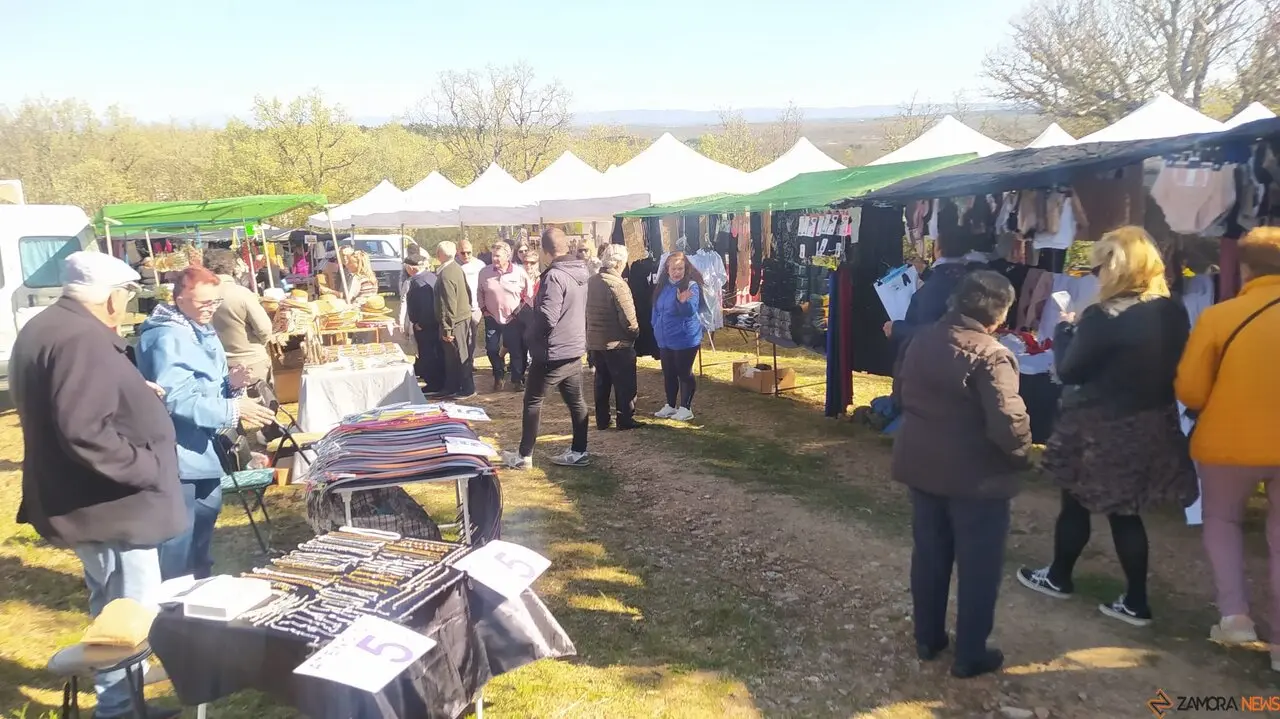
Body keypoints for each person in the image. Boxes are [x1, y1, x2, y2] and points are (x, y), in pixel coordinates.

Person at [11, 252, 185, 719]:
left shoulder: (51, 326)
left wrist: (132, 393)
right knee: (126, 615)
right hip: (111, 506)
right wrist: (147, 467)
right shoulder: (79, 340)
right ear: (110, 298)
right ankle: (120, 708)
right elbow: (84, 431)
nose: (126, 306)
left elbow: (74, 406)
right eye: (125, 296)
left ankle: (126, 699)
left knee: (114, 606)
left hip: (94, 505)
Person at [1017, 226, 1196, 626]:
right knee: (1125, 511)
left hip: (1099, 424)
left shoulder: (1102, 315)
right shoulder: (1172, 311)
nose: (1094, 275)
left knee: (1078, 503)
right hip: (1151, 419)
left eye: (1098, 267)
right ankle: (1133, 599)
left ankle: (1062, 577)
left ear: (1114, 268)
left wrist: (1065, 330)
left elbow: (1069, 369)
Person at [893, 270, 1031, 679]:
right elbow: (1009, 422)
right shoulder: (991, 354)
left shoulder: (921, 338)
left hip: (923, 465)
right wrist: (1022, 455)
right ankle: (970, 652)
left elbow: (901, 392)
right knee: (978, 567)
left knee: (930, 555)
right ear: (1000, 313)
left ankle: (928, 636)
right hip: (977, 479)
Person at [1175, 226, 1280, 660]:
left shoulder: (1220, 317)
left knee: (1222, 521)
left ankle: (1235, 616)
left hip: (1229, 443)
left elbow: (1192, 392)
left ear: (1246, 267)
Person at [137, 266, 278, 580]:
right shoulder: (167, 336)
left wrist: (231, 383)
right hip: (177, 451)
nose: (210, 310)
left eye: (215, 303)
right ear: (179, 299)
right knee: (179, 536)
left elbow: (204, 384)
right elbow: (176, 397)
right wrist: (232, 409)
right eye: (203, 303)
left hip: (203, 449)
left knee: (204, 521)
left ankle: (199, 585)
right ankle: (172, 600)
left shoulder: (199, 326)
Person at [502, 227, 591, 469]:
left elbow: (548, 317)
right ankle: (579, 450)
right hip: (573, 348)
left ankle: (524, 456)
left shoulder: (554, 276)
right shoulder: (581, 271)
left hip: (553, 351)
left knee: (533, 401)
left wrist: (530, 337)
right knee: (576, 402)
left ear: (544, 251)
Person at [587, 243, 644, 431]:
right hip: (617, 342)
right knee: (625, 382)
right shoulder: (618, 284)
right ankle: (625, 418)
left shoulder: (592, 281)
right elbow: (628, 317)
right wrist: (634, 333)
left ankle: (602, 419)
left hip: (596, 341)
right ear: (619, 263)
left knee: (602, 381)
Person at [205, 249, 274, 385]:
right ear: (232, 267)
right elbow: (264, 329)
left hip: (217, 365)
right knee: (260, 404)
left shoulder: (200, 295)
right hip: (250, 361)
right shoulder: (241, 293)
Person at [651, 251, 704, 422]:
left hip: (685, 338)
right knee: (668, 372)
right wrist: (655, 326)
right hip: (664, 338)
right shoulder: (662, 286)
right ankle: (670, 405)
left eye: (680, 268)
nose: (677, 272)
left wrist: (683, 302)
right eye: (673, 268)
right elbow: (656, 309)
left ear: (685, 268)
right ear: (667, 269)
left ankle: (686, 407)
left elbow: (690, 312)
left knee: (683, 372)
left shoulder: (691, 286)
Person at [477, 240, 533, 392]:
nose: (495, 259)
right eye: (493, 256)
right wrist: (484, 310)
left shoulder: (519, 272)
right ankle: (498, 375)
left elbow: (528, 294)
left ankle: (517, 380)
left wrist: (518, 311)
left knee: (516, 350)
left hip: (513, 318)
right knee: (491, 349)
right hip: (492, 318)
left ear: (508, 256)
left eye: (498, 256)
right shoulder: (484, 272)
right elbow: (479, 292)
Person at [433, 241, 477, 399]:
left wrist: (447, 328)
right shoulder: (455, 268)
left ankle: (467, 388)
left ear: (440, 255)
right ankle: (452, 387)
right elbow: (467, 291)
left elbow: (448, 303)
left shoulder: (446, 274)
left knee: (459, 355)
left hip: (456, 320)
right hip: (462, 316)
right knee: (453, 356)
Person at [405, 254, 446, 394]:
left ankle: (433, 383)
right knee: (435, 353)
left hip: (426, 326)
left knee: (428, 354)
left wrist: (420, 323)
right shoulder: (431, 277)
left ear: (410, 267)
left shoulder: (418, 282)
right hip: (434, 324)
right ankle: (438, 381)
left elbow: (426, 306)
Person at [458, 239, 486, 323]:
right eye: (462, 253)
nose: (466, 255)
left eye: (468, 252)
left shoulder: (480, 264)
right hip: (460, 309)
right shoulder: (454, 265)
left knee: (473, 333)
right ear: (457, 251)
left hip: (476, 306)